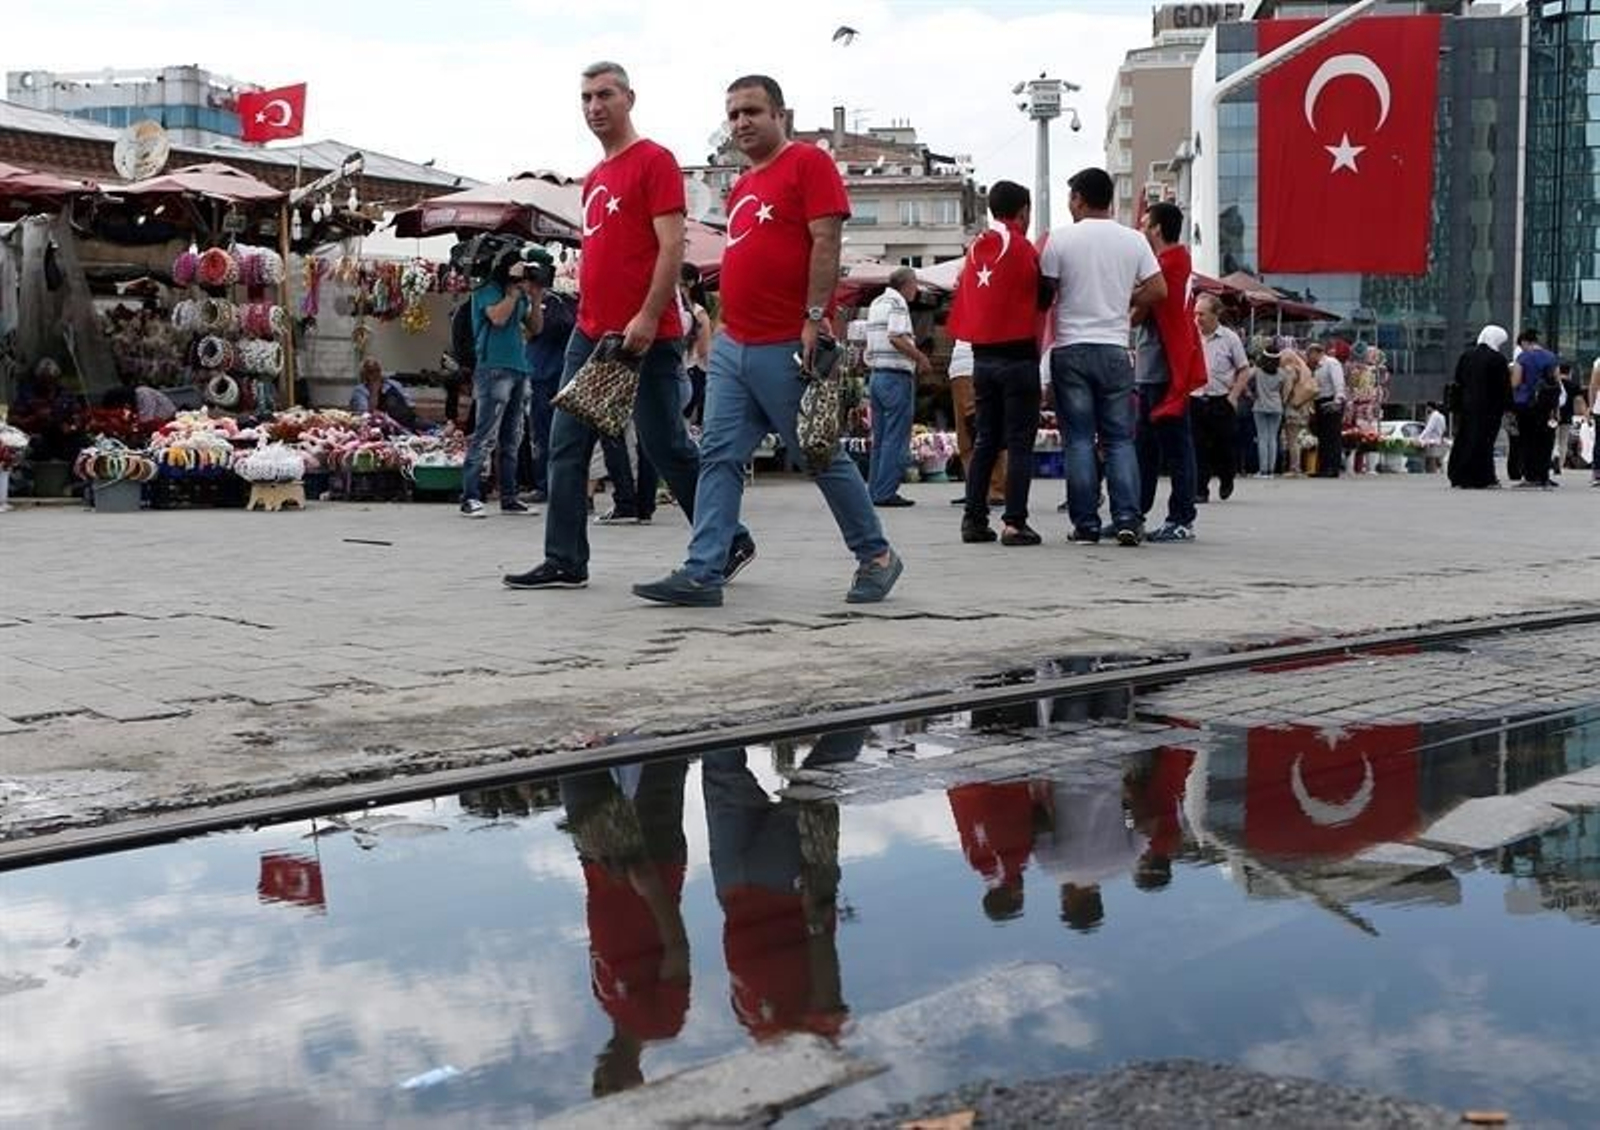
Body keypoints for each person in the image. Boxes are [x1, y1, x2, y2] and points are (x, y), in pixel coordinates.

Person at [632, 74, 902, 608]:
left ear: (782, 115)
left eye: (752, 111)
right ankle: (703, 571)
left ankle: (877, 556)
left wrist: (813, 316)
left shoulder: (808, 163)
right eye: (732, 114)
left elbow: (827, 241)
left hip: (788, 340)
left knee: (818, 455)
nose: (741, 122)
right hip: (736, 343)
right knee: (718, 456)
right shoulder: (745, 184)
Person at [505, 62, 740, 588]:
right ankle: (565, 559)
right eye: (585, 97)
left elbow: (671, 246)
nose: (594, 106)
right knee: (566, 445)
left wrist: (650, 314)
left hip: (645, 335)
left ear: (629, 98)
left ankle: (728, 537)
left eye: (604, 95)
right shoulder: (595, 177)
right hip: (591, 334)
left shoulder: (654, 161)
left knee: (666, 446)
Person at [1040, 167, 1167, 545]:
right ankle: (1128, 518)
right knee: (1119, 440)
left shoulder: (1059, 240)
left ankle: (1086, 525)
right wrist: (1126, 301)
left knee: (1078, 439)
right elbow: (1158, 289)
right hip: (1114, 347)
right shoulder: (1134, 241)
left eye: (1070, 198)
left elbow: (1045, 295)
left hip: (1072, 348)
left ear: (1078, 198)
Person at [560, 759, 691, 1097]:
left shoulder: (607, 1005)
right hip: (654, 862)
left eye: (599, 1084)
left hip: (600, 862)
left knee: (573, 760)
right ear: (637, 1082)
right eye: (612, 1086)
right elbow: (677, 951)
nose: (602, 1076)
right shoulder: (663, 1024)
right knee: (659, 759)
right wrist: (651, 888)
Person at [948, 179, 1048, 546]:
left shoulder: (978, 249)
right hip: (1018, 358)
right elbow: (1042, 295)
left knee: (987, 439)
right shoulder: (1021, 247)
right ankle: (1014, 522)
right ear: (1023, 212)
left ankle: (974, 520)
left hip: (981, 360)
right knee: (1019, 443)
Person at [1133, 200, 1205, 543]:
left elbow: (1141, 308)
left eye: (1147, 223)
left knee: (1175, 447)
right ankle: (1135, 513)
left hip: (1164, 370)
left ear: (1158, 228)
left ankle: (1181, 517)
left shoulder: (1169, 264)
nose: (1142, 228)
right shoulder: (1172, 262)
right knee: (1146, 447)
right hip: (1153, 368)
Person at [461, 256, 541, 516]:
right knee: (485, 435)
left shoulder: (518, 294)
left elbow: (535, 328)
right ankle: (470, 496)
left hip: (519, 367)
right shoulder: (486, 290)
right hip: (493, 367)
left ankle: (510, 497)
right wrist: (513, 294)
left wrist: (536, 299)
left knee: (512, 438)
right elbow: (497, 318)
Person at [864, 267, 929, 507]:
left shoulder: (877, 302)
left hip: (877, 375)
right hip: (895, 377)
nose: (917, 290)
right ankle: (886, 492)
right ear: (907, 284)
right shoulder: (898, 303)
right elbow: (895, 336)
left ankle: (875, 490)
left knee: (880, 437)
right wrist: (920, 357)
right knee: (896, 437)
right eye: (915, 285)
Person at [1190, 294, 1251, 500]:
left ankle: (1227, 478)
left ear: (1216, 315)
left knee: (1223, 445)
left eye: (1202, 314)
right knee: (1197, 446)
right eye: (1195, 313)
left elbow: (1244, 370)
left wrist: (1233, 397)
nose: (1198, 318)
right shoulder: (1190, 335)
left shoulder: (1229, 338)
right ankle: (1200, 489)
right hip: (1196, 398)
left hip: (1221, 399)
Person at [522, 282, 577, 505]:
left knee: (543, 434)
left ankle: (545, 485)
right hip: (558, 374)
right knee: (560, 434)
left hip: (543, 375)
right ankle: (561, 485)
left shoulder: (546, 303)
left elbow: (534, 332)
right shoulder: (564, 302)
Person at [1446, 325, 1511, 489]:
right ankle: (1482, 477)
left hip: (1467, 406)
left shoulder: (1466, 356)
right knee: (1484, 442)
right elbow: (1503, 387)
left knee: (1464, 439)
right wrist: (1509, 407)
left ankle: (1459, 475)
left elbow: (1459, 379)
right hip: (1489, 409)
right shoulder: (1497, 359)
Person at [946, 339, 1006, 508]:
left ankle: (993, 489)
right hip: (962, 366)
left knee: (980, 430)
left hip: (976, 364)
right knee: (968, 434)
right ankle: (978, 488)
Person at [1509, 328, 1559, 489]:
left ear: (1524, 342)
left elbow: (1515, 382)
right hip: (1546, 405)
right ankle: (1543, 475)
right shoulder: (1551, 357)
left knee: (1526, 440)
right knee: (1545, 440)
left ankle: (1530, 475)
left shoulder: (1523, 357)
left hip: (1526, 405)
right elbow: (1557, 382)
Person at [1306, 340, 1347, 478]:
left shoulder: (1331, 363)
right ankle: (1323, 467)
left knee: (1332, 435)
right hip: (1320, 401)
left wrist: (1338, 400)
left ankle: (1333, 467)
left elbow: (1338, 382)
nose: (1309, 357)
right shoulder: (1316, 368)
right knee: (1322, 436)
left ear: (1318, 353)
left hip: (1331, 400)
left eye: (1310, 354)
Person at [679, 263, 712, 425]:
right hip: (683, 370)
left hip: (692, 371)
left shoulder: (698, 313)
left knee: (681, 422)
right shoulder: (679, 309)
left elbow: (703, 350)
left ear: (689, 285)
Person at [349, 358, 418, 430]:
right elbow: (365, 415)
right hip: (381, 427)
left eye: (377, 370)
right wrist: (374, 391)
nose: (375, 374)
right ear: (364, 375)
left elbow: (410, 405)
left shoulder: (394, 384)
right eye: (371, 372)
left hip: (409, 423)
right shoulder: (360, 391)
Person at [1250, 345, 1286, 478]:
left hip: (1260, 406)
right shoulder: (1282, 373)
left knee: (1262, 438)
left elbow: (1244, 377)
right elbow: (1284, 391)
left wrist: (1250, 394)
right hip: (1277, 406)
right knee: (1273, 438)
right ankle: (1271, 470)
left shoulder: (1257, 371)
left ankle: (1263, 470)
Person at [1553, 362, 1579, 475]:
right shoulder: (1573, 385)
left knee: (1553, 440)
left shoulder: (1555, 383)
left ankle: (1554, 457)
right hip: (1567, 415)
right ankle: (1560, 465)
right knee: (1563, 441)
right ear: (1570, 372)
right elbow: (1578, 400)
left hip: (1553, 415)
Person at [1417, 399, 1448, 473]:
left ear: (1429, 407)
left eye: (1427, 408)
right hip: (1439, 440)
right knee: (1439, 461)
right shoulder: (1442, 416)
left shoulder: (1434, 416)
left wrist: (1419, 438)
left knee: (1431, 460)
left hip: (1432, 441)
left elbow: (1428, 429)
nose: (1426, 409)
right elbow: (1444, 428)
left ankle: (1432, 474)